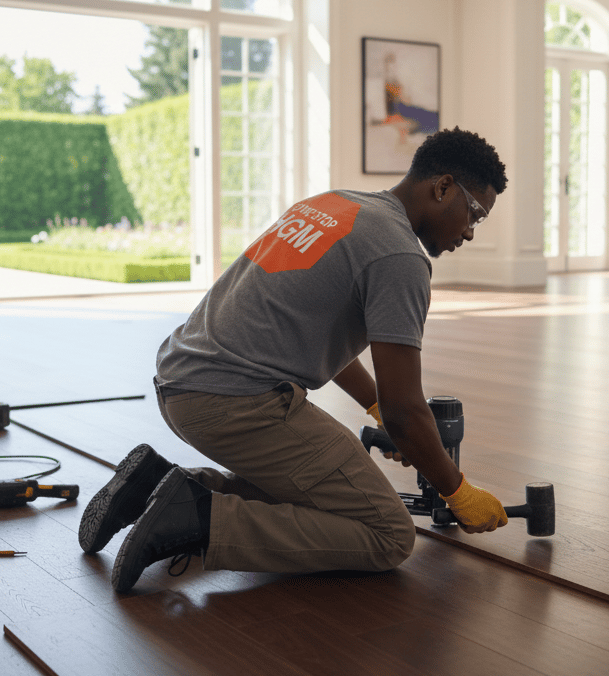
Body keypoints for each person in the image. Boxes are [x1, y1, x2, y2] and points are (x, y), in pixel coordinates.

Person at [78, 126, 510, 593]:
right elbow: (407, 412)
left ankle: (150, 487)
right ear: (443, 186)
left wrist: (374, 406)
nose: (468, 231)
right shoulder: (400, 256)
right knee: (387, 534)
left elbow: (315, 326)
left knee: (309, 496)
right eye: (475, 213)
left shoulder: (336, 205)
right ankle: (199, 518)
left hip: (181, 379)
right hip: (235, 402)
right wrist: (456, 489)